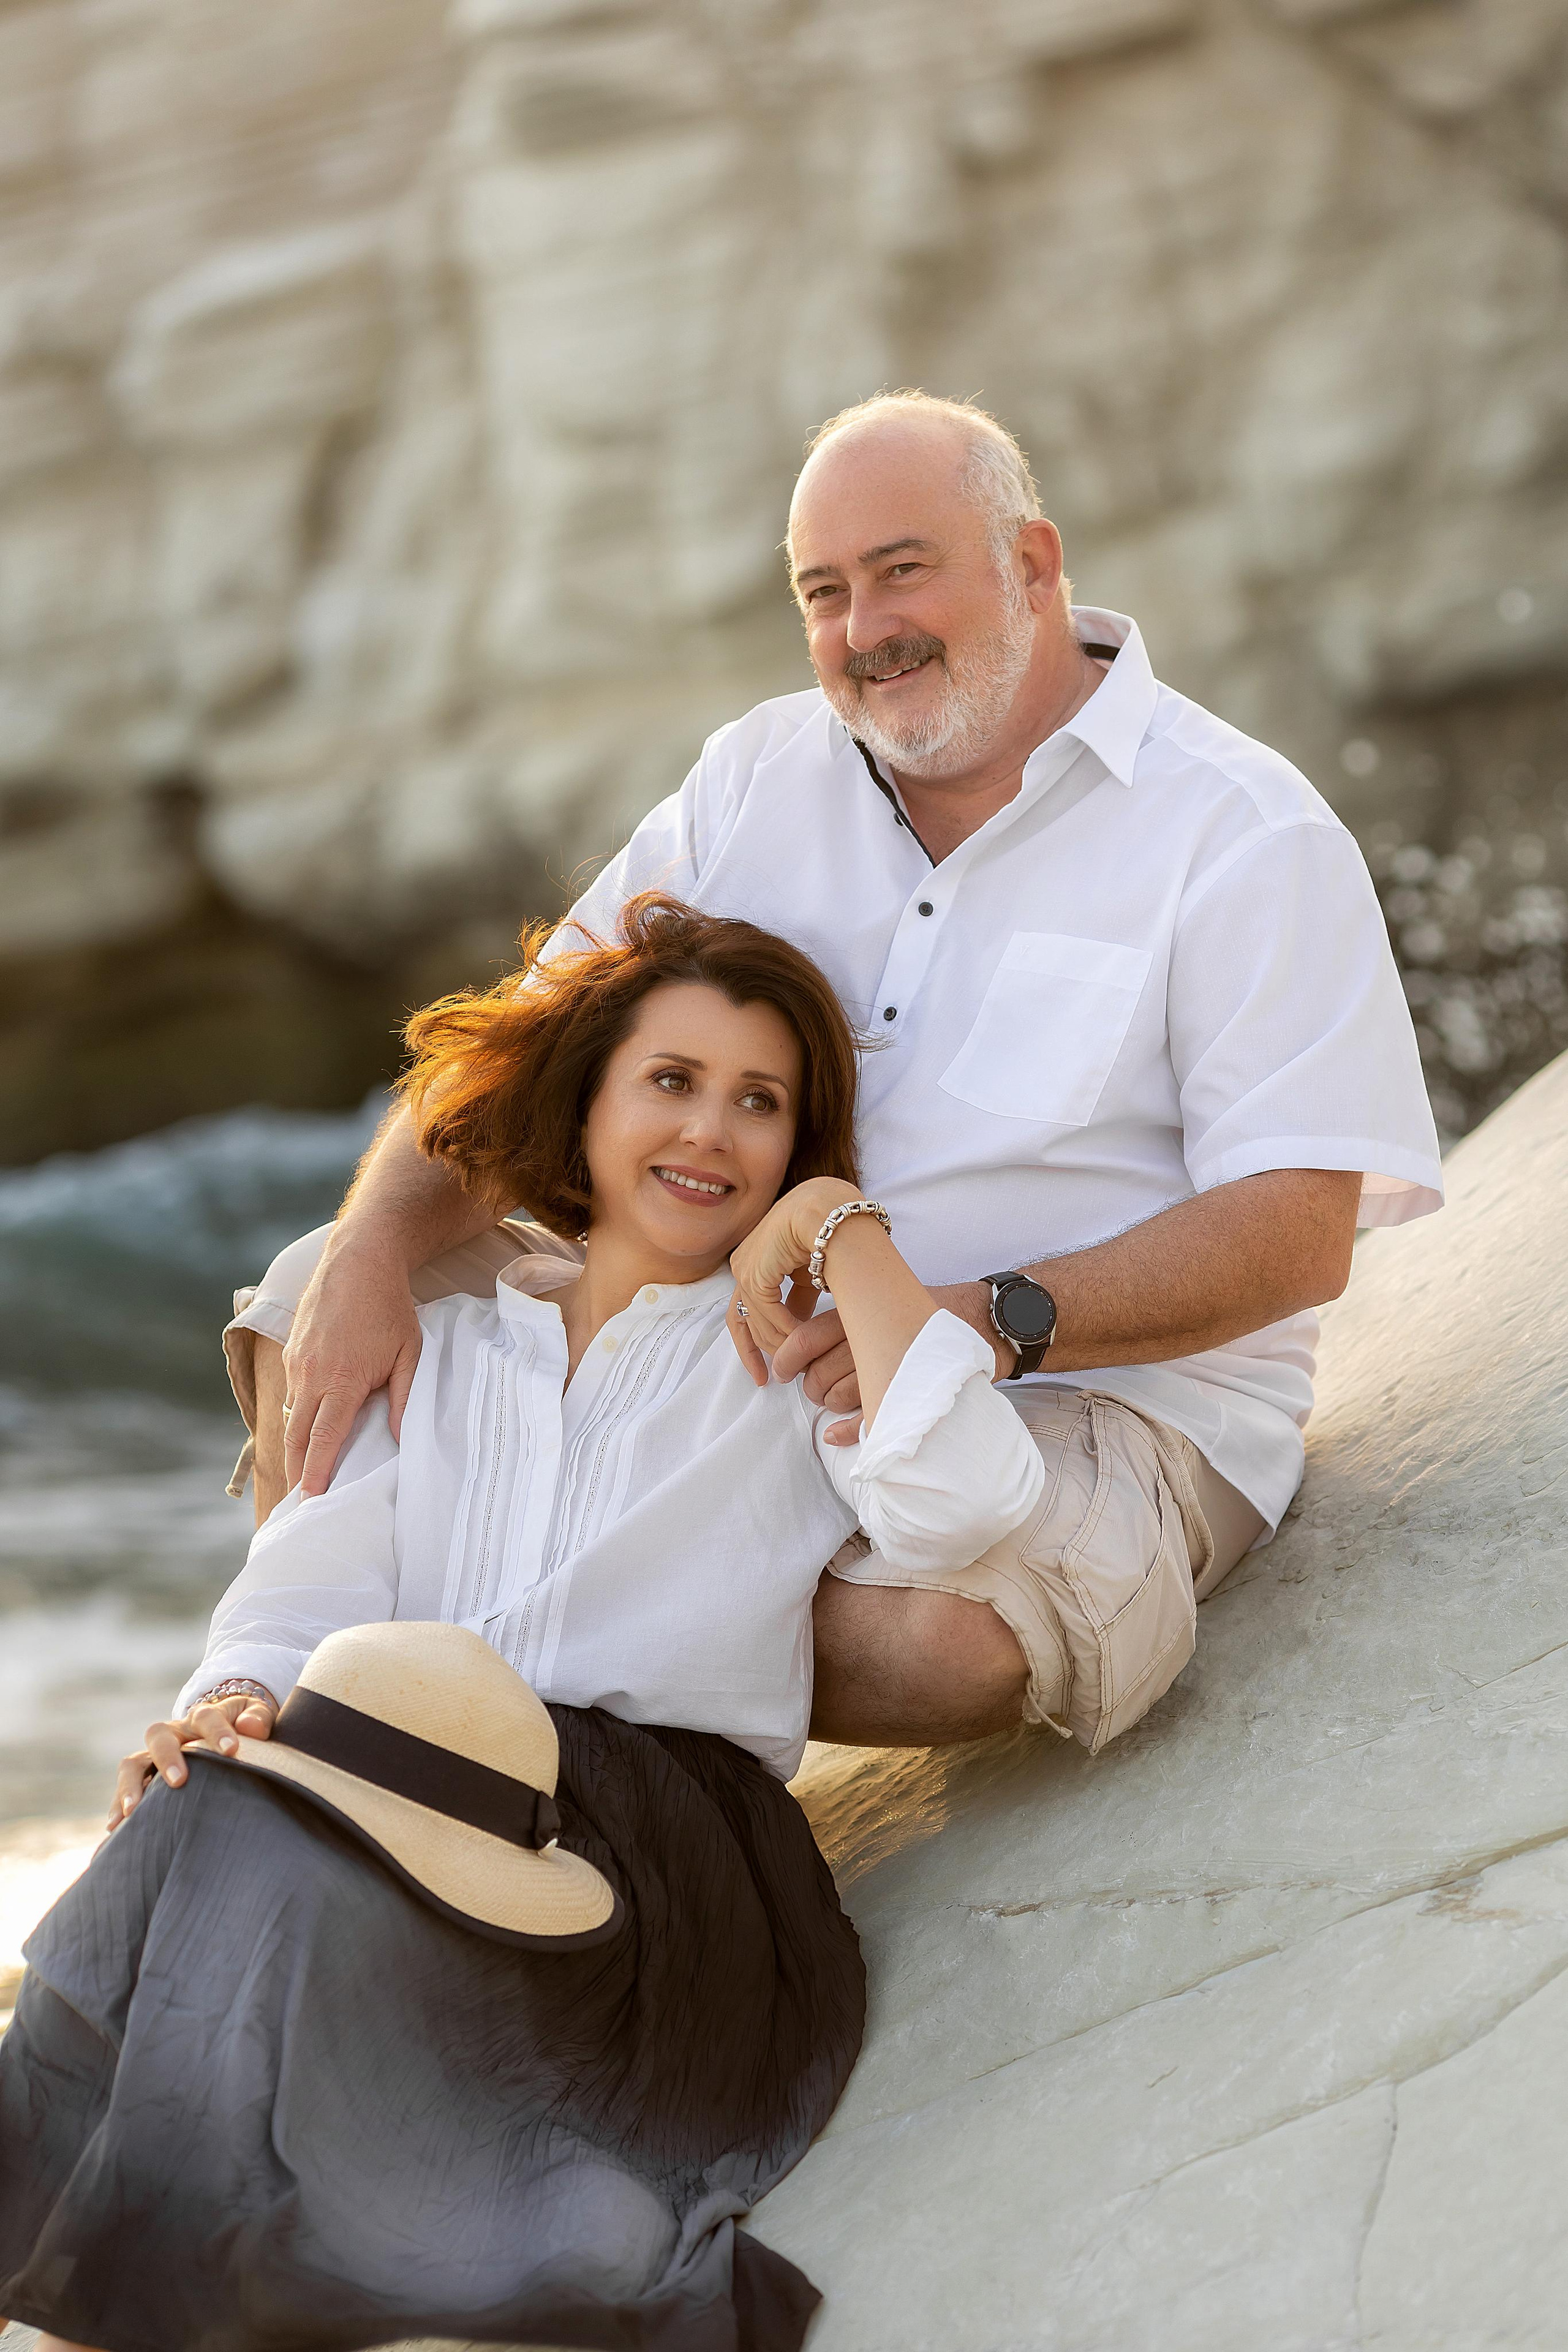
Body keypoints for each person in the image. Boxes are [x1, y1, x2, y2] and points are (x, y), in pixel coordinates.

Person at [240, 390, 1443, 1753]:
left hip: (1078, 1388)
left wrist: (979, 1322)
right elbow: (522, 1056)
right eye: (824, 592)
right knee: (317, 1308)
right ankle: (317, 1739)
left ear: (1032, 564)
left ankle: (525, 1705)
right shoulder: (758, 772)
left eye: (900, 571)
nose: (866, 630)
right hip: (728, 1348)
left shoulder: (1242, 830)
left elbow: (1296, 1231)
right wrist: (372, 1250)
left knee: (940, 1639)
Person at [1, 896, 1046, 2352]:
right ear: (587, 1103)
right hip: (411, 1790)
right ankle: (119, 2289)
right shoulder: (439, 1343)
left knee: (252, 1913)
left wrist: (838, 1226)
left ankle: (178, 2281)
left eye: (761, 1104)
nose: (710, 1132)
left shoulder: (790, 1364)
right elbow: (308, 1580)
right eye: (670, 1081)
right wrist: (226, 1699)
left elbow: (973, 1500)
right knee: (196, 1806)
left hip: (658, 1868)